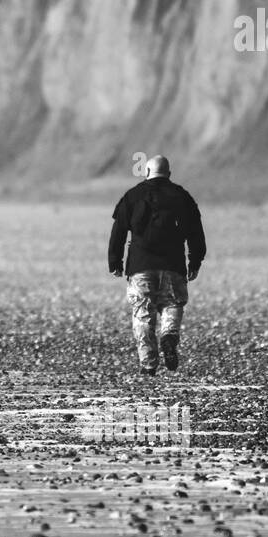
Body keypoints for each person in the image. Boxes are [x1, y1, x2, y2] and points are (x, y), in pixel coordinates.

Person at [107, 155, 206, 376]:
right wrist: (195, 260)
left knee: (143, 313)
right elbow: (196, 232)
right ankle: (169, 335)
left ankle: (148, 364)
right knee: (173, 304)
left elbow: (118, 231)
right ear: (169, 174)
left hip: (140, 266)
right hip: (174, 265)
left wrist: (115, 261)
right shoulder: (182, 196)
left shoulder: (132, 196)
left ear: (146, 172)